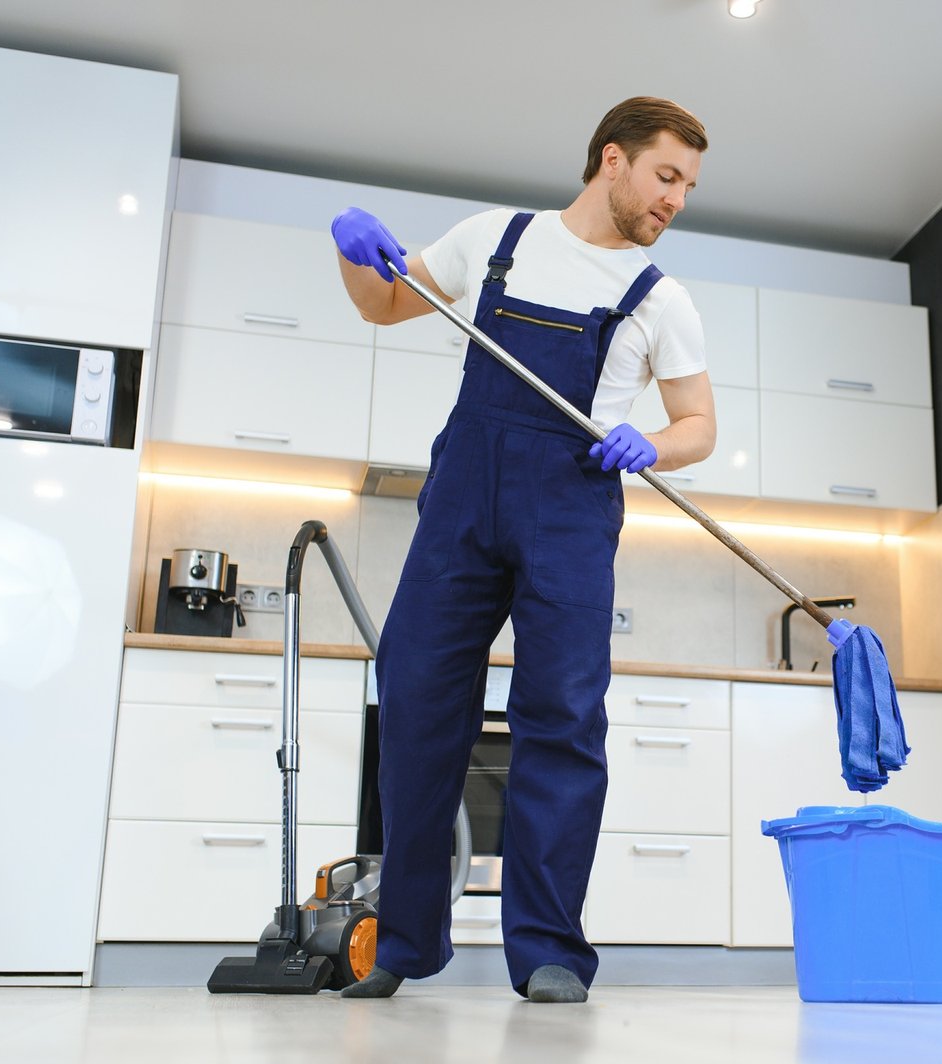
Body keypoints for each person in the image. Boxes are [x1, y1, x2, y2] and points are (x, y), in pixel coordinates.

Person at [329, 97, 715, 1003]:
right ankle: (404, 944)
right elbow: (385, 304)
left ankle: (547, 951)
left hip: (572, 514)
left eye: (689, 187)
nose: (677, 202)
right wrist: (350, 256)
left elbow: (698, 424)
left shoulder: (663, 300)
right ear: (611, 161)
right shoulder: (495, 239)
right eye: (667, 177)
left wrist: (653, 444)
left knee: (562, 719)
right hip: (463, 504)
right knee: (417, 699)